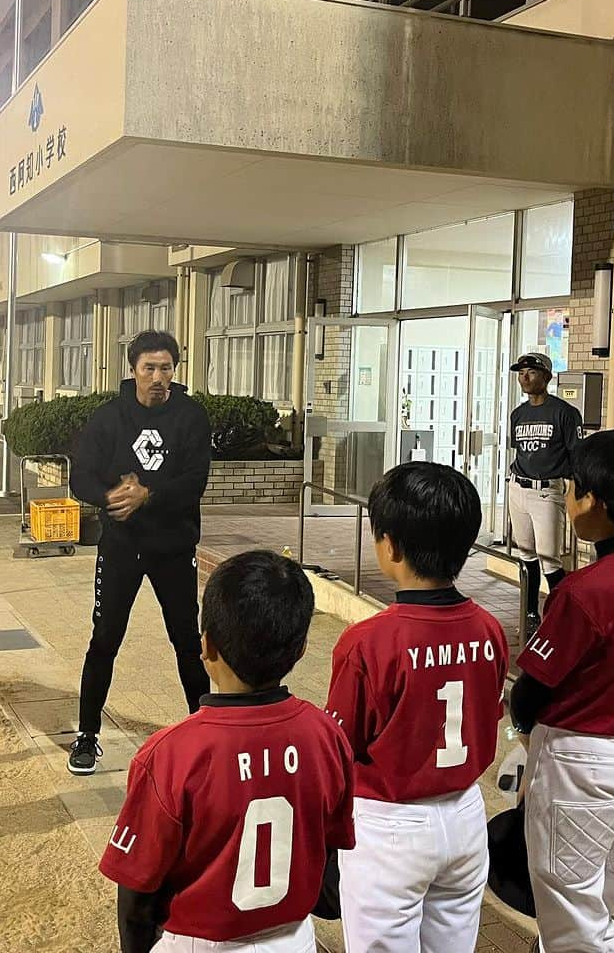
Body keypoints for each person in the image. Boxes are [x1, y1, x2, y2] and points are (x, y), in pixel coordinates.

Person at [99, 550, 355, 952]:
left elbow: (136, 897)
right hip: (293, 941)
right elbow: (330, 870)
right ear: (303, 648)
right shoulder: (327, 734)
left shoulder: (169, 754)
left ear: (206, 646)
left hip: (200, 942)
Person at [325, 462, 510, 952]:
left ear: (390, 546)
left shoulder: (368, 641)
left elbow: (341, 750)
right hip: (467, 815)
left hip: (390, 825)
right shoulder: (489, 628)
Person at [509, 429, 614, 952]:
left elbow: (531, 690)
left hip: (580, 766)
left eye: (572, 488)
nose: (566, 496)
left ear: (594, 504)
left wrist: (519, 724)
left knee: (577, 926)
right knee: (602, 906)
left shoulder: (585, 590)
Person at [68, 330, 212, 776]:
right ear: (132, 370)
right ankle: (88, 735)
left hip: (173, 547)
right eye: (149, 368)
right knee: (105, 639)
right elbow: (80, 476)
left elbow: (194, 481)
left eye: (166, 368)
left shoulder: (191, 417)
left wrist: (147, 495)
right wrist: (113, 498)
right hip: (122, 547)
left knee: (188, 641)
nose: (158, 377)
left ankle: (208, 731)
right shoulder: (109, 418)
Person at [507, 352, 583, 598]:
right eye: (521, 373)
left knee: (549, 559)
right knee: (525, 554)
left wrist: (574, 490)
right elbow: (519, 450)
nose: (525, 378)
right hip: (518, 487)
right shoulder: (518, 414)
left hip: (547, 490)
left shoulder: (564, 412)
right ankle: (528, 614)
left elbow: (576, 455)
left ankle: (561, 614)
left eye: (531, 372)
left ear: (546, 376)